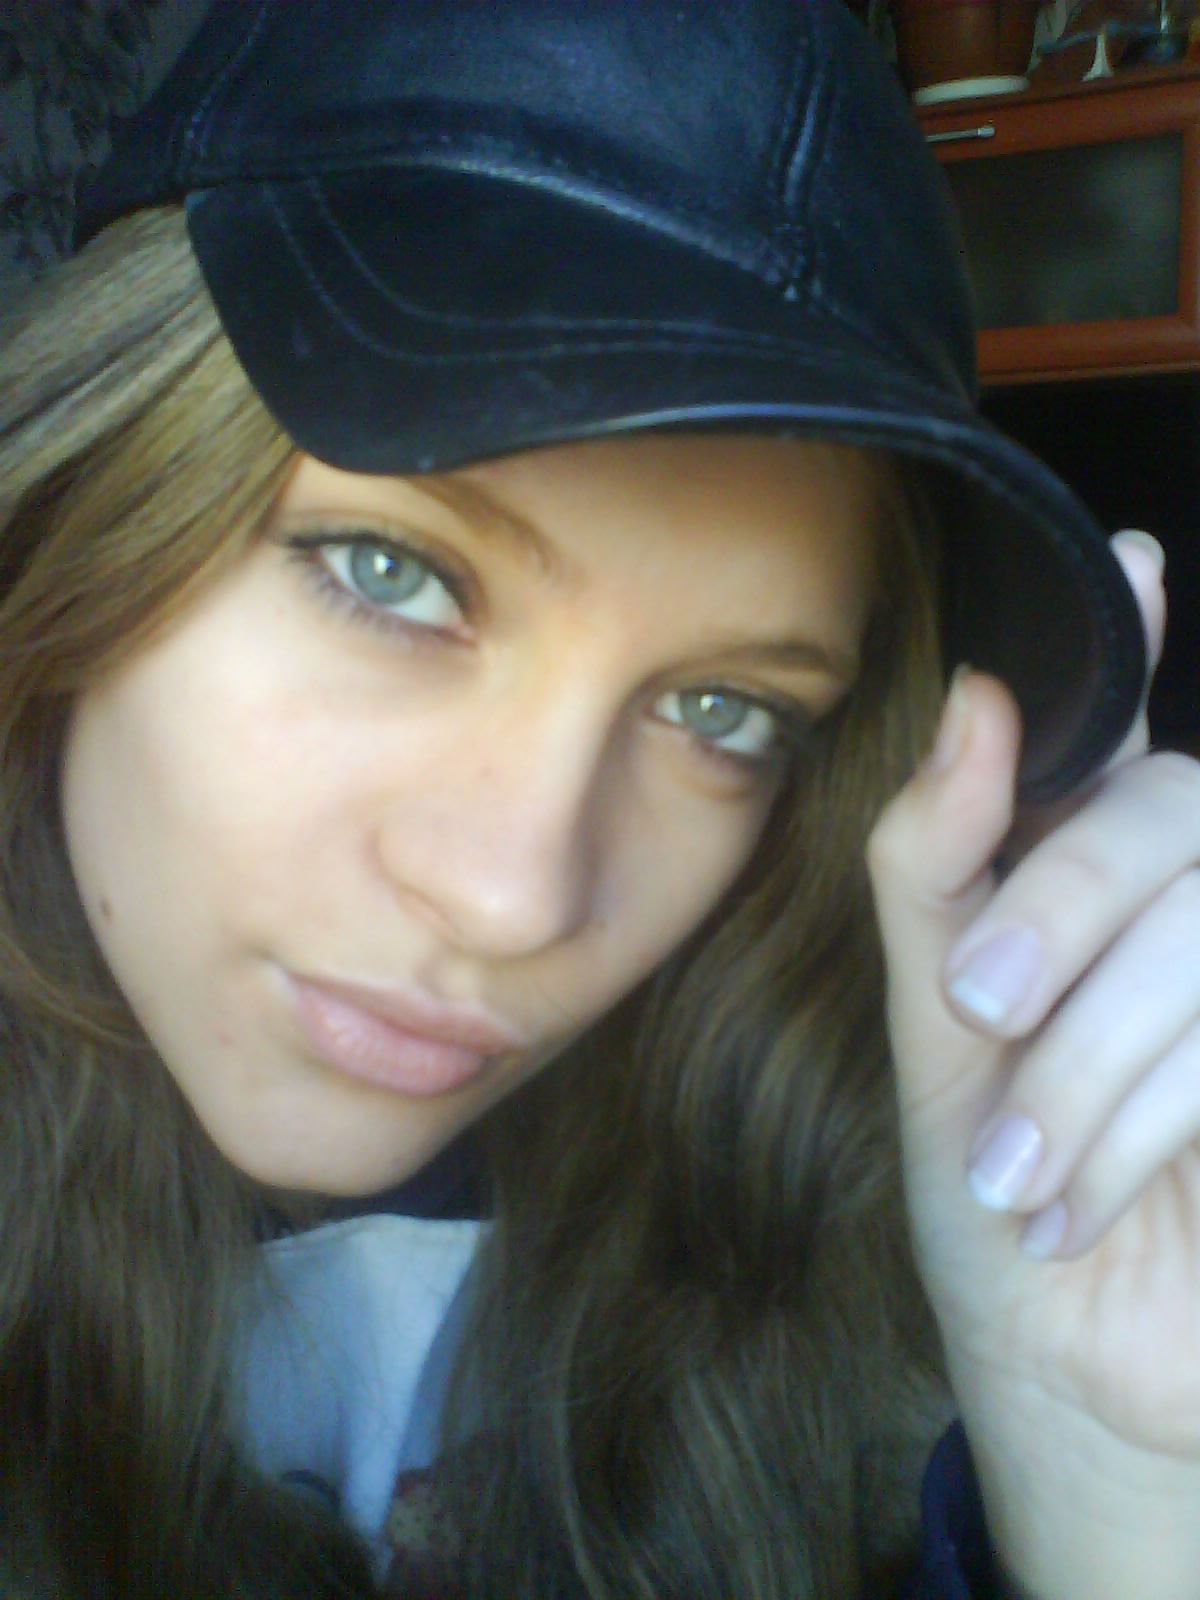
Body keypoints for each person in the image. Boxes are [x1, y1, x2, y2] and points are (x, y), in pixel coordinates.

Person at [1, 1, 1197, 1596]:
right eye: (391, 573)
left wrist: (1119, 1505)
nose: (517, 900)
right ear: (87, 504)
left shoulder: (814, 1222)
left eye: (722, 711)